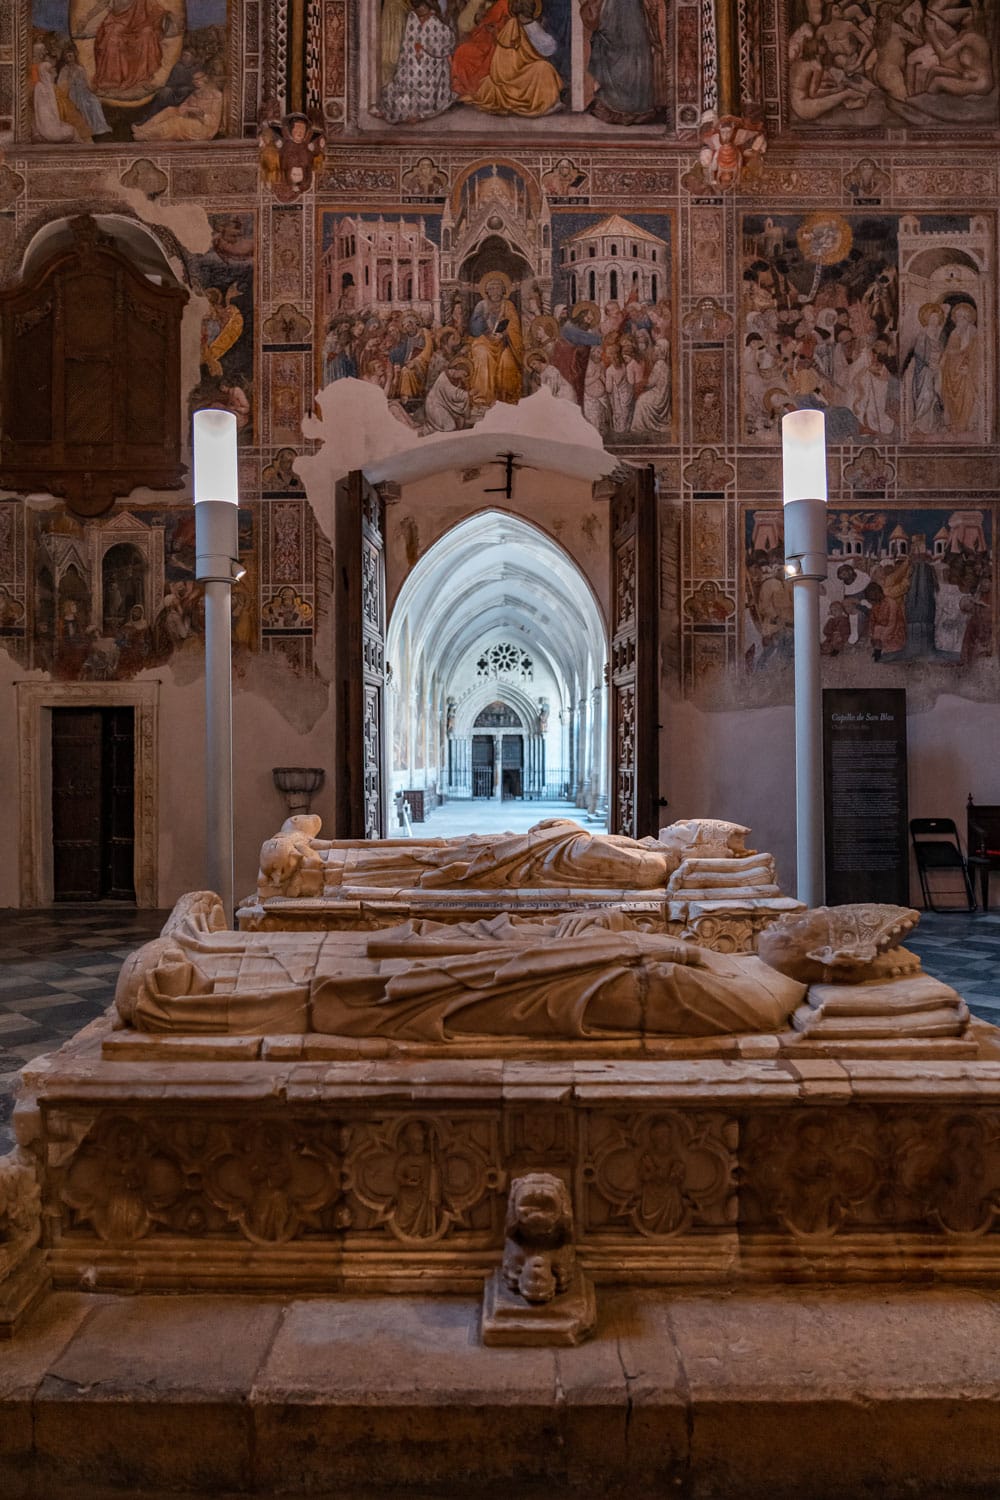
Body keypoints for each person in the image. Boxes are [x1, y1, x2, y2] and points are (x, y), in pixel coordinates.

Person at [464, 0, 563, 116]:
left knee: (541, 67)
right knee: (544, 68)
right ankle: (540, 103)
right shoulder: (527, 26)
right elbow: (549, 49)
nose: (523, 18)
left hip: (508, 75)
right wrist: (533, 26)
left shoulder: (514, 24)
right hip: (514, 74)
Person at [376, 0, 456, 124]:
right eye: (416, 6)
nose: (418, 9)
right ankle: (393, 110)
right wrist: (412, 55)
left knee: (416, 95)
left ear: (429, 5)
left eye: (421, 6)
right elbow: (407, 43)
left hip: (431, 66)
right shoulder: (412, 17)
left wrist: (424, 48)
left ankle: (416, 113)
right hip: (412, 63)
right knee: (397, 89)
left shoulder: (435, 21)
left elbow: (447, 44)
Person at [581, 0, 661, 124]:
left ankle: (628, 109)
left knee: (632, 51)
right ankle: (632, 109)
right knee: (627, 51)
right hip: (623, 10)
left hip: (621, 10)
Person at [468, 271, 524, 408]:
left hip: (504, 343)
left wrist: (504, 334)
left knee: (507, 362)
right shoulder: (481, 305)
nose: (494, 291)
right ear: (486, 291)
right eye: (491, 288)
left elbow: (515, 327)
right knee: (482, 356)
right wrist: (485, 323)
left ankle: (505, 399)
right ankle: (482, 398)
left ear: (503, 290)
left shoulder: (508, 305)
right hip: (483, 341)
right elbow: (473, 328)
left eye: (497, 288)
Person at [132, 67, 223, 141]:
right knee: (170, 110)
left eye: (198, 80)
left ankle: (147, 135)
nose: (195, 82)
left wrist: (199, 113)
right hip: (191, 119)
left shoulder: (216, 96)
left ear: (205, 79)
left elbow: (213, 122)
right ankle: (143, 128)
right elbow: (183, 106)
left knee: (176, 122)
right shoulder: (196, 93)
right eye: (194, 80)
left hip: (204, 128)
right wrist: (184, 108)